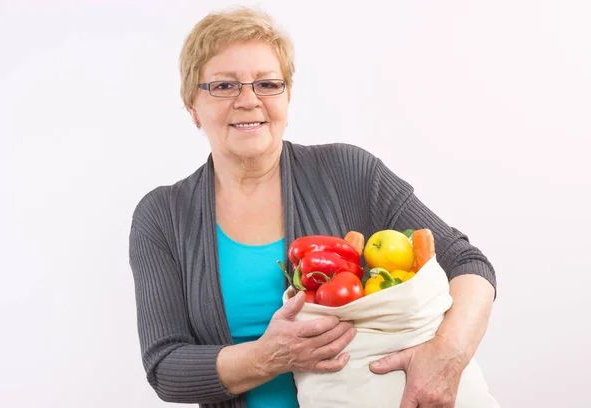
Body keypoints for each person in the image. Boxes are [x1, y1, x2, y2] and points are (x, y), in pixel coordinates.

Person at [128, 6, 497, 408]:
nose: (249, 100)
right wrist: (268, 357)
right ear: (192, 106)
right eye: (224, 86)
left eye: (267, 84)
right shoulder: (162, 216)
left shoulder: (347, 172)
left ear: (287, 97)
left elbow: (468, 263)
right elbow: (165, 366)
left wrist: (446, 357)